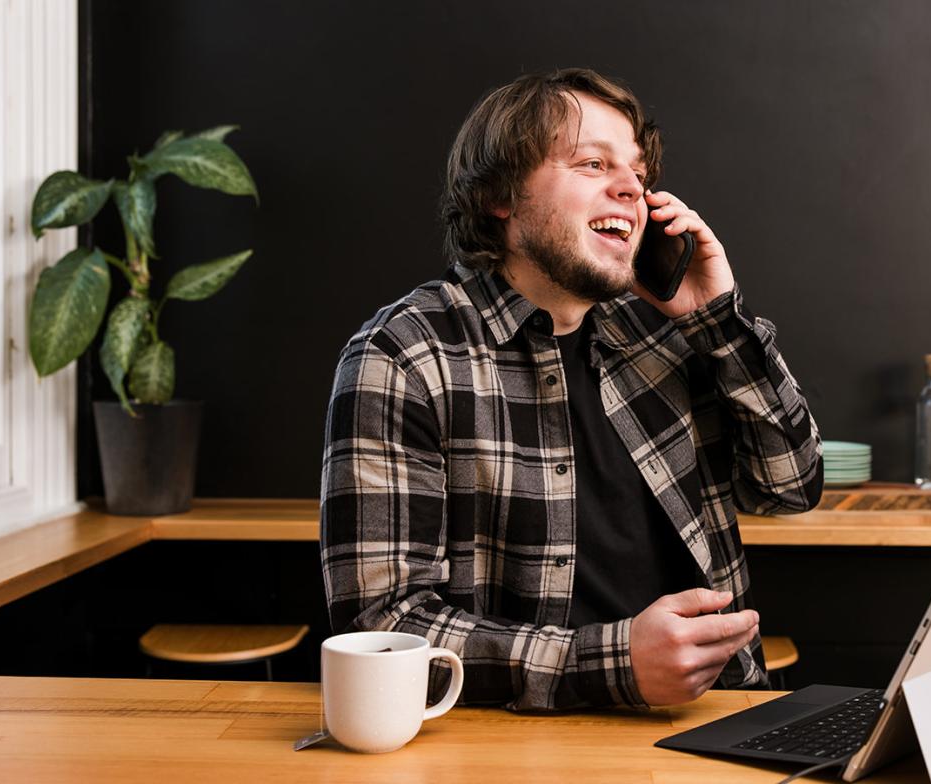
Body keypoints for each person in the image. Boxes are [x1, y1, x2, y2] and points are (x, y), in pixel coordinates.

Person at [320, 68, 823, 711]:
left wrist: (719, 321)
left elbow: (790, 487)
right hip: (526, 743)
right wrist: (613, 663)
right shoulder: (404, 356)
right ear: (499, 196)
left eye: (639, 174)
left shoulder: (664, 333)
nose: (630, 190)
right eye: (592, 163)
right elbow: (383, 625)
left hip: (719, 712)